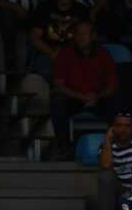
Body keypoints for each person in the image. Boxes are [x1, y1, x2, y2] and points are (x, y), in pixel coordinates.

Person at [49, 20, 121, 158]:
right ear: (74, 36)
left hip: (98, 99)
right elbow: (58, 85)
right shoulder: (65, 53)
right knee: (57, 99)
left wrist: (97, 96)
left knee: (117, 98)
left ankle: (117, 144)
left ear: (94, 36)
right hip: (74, 99)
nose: (82, 37)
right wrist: (80, 96)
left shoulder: (103, 53)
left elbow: (113, 84)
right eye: (79, 34)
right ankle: (65, 146)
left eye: (86, 34)